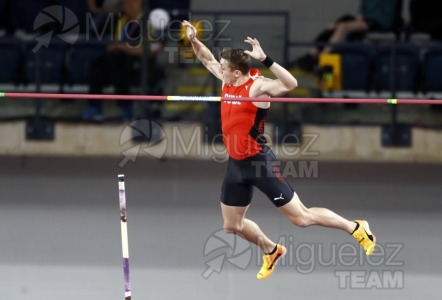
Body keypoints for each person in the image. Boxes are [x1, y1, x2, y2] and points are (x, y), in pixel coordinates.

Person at [182, 20, 376, 280]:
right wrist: (194, 41)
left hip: (259, 163)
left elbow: (291, 84)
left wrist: (266, 58)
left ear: (237, 73)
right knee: (232, 225)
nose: (219, 70)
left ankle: (355, 227)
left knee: (302, 218)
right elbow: (206, 60)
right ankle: (271, 250)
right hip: (236, 164)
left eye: (224, 69)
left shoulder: (257, 87)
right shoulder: (227, 80)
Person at [82, 0, 166, 120]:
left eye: (133, 2)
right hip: (117, 61)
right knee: (98, 63)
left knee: (115, 62)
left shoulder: (149, 22)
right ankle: (95, 107)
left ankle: (126, 107)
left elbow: (153, 49)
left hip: (138, 65)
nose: (129, 4)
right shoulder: (120, 20)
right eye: (126, 2)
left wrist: (123, 48)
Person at [294, 0, 402, 72]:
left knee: (343, 27)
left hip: (380, 23)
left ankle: (322, 58)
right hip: (366, 20)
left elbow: (386, 17)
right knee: (334, 25)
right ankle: (311, 54)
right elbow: (361, 12)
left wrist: (361, 21)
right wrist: (359, 19)